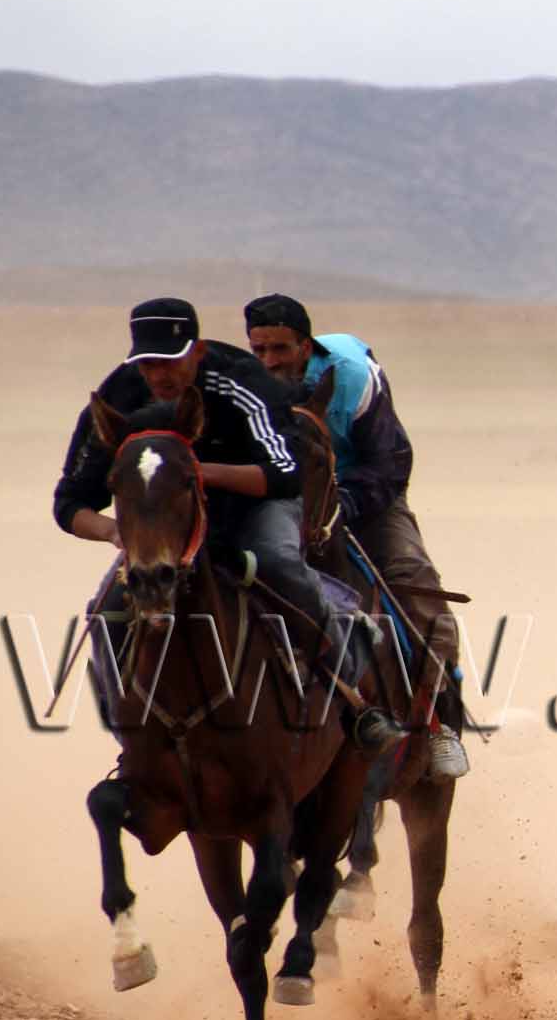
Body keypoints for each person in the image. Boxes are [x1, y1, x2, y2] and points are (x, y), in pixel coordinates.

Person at [54, 296, 403, 749]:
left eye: (170, 361)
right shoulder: (120, 395)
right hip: (167, 522)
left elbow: (284, 474)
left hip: (256, 502)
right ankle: (130, 737)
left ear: (197, 352)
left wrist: (198, 473)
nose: (158, 375)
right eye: (147, 363)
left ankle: (354, 703)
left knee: (279, 562)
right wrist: (116, 532)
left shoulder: (241, 381)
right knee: (108, 610)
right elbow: (70, 503)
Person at [243, 293, 471, 778]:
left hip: (362, 497)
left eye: (280, 350)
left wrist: (342, 507)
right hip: (278, 502)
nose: (269, 362)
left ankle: (440, 725)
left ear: (307, 346)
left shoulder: (354, 377)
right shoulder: (245, 388)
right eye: (259, 350)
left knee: (420, 590)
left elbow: (391, 463)